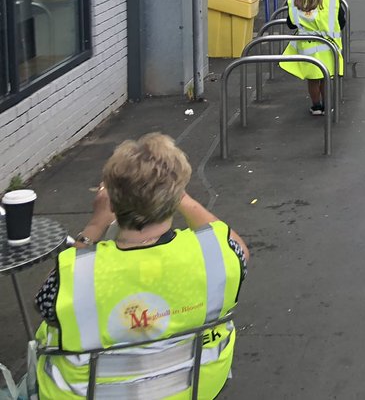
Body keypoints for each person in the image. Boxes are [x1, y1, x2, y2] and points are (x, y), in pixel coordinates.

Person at [32, 133, 248, 399]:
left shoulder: (77, 274)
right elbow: (239, 248)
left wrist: (95, 225)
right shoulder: (216, 255)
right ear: (176, 196)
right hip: (196, 388)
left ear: (111, 201)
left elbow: (45, 304)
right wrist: (176, 193)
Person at [279, 0, 345, 116]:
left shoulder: (295, 1)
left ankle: (316, 106)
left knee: (313, 79)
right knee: (326, 77)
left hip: (307, 49)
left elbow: (291, 24)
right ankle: (328, 105)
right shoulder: (333, 0)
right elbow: (341, 22)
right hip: (328, 47)